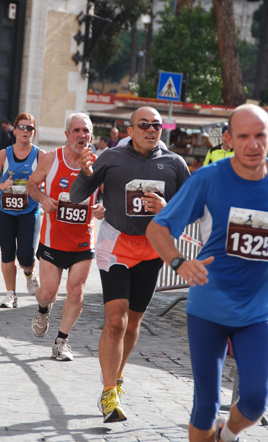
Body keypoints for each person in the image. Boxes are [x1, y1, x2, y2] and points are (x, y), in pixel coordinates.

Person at [146, 104, 268, 442]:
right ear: (228, 140)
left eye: (261, 135)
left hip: (257, 312)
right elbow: (159, 226)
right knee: (205, 404)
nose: (253, 144)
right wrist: (179, 262)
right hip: (209, 309)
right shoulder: (210, 179)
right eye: (244, 136)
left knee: (254, 398)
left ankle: (228, 437)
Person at [70, 107, 190, 422]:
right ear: (130, 129)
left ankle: (118, 376)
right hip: (115, 246)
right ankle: (109, 394)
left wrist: (167, 207)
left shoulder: (174, 164)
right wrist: (85, 174)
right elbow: (77, 194)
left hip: (151, 249)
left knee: (134, 323)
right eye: (144, 125)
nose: (151, 130)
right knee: (116, 321)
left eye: (157, 125)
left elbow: (189, 210)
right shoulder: (111, 157)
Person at [26, 113, 105, 362]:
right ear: (67, 134)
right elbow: (31, 185)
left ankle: (61, 341)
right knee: (48, 291)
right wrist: (43, 199)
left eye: (86, 131)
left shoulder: (99, 164)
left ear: (91, 136)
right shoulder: (51, 159)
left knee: (76, 290)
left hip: (83, 240)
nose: (81, 135)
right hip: (53, 240)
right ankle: (42, 308)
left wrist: (103, 209)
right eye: (76, 130)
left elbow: (110, 197)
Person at [0, 113, 45, 308]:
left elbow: (51, 181)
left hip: (29, 212)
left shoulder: (40, 156)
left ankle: (29, 273)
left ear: (34, 133)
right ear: (15, 130)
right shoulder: (4, 154)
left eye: (30, 128)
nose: (25, 131)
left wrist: (40, 189)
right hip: (4, 212)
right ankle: (11, 295)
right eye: (22, 127)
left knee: (26, 256)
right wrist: (1, 185)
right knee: (7, 254)